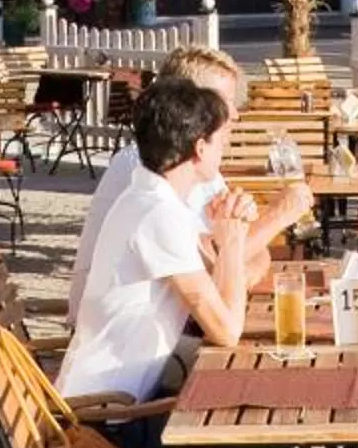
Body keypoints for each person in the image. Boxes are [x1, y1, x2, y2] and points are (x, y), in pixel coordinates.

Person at [60, 75, 300, 448]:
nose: (225, 146)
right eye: (220, 137)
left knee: (254, 419)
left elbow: (233, 276)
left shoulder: (152, 198)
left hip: (119, 401)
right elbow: (227, 329)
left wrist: (233, 241)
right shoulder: (159, 215)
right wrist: (232, 238)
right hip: (108, 421)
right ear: (199, 148)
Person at [64, 47, 307, 333]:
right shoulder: (148, 168)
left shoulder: (188, 167)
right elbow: (221, 259)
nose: (234, 114)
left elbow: (232, 250)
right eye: (222, 101)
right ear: (186, 104)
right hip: (125, 343)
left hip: (164, 330)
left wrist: (236, 264)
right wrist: (278, 216)